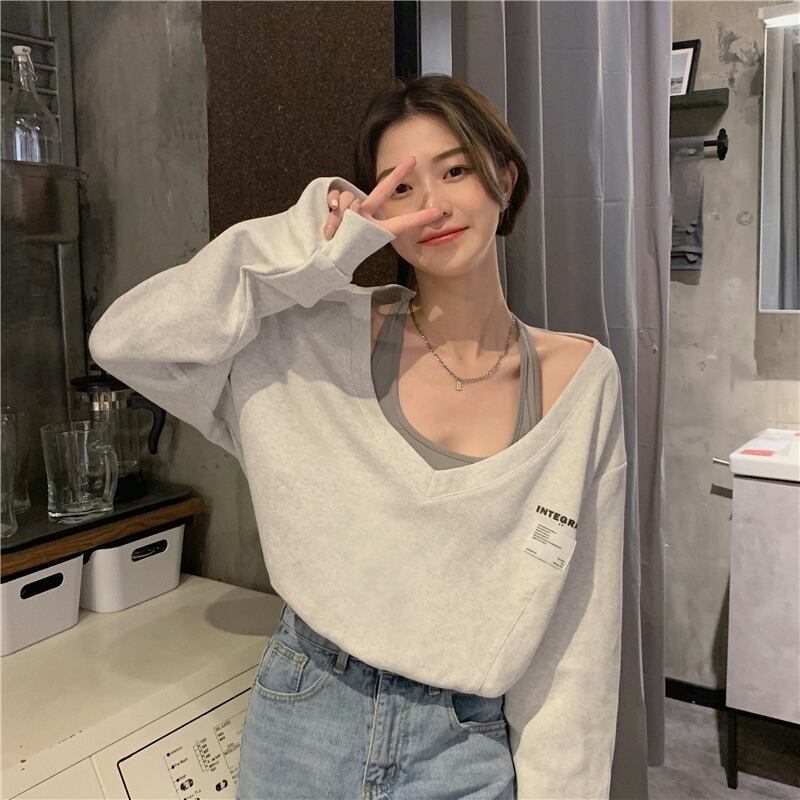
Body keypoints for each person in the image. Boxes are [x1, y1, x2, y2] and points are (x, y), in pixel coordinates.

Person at [89, 74, 627, 800]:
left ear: (503, 177)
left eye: (455, 171)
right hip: (306, 715)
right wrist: (310, 245)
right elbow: (125, 341)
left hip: (464, 745)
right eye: (401, 188)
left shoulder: (580, 382)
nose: (433, 205)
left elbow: (576, 639)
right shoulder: (305, 340)